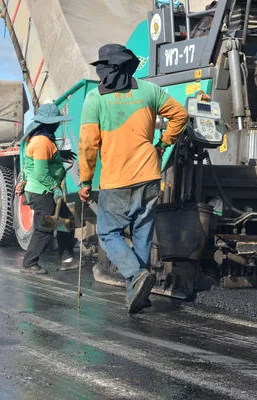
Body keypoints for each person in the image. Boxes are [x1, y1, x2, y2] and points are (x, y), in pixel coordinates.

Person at [77, 44, 188, 314]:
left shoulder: (95, 98)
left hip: (116, 180)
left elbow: (88, 145)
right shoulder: (149, 90)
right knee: (142, 236)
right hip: (149, 175)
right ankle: (136, 295)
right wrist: (163, 144)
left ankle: (136, 276)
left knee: (108, 233)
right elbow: (180, 115)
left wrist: (85, 180)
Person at [18, 104, 77, 274]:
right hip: (42, 192)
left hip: (44, 191)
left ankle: (67, 259)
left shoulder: (43, 140)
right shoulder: (42, 142)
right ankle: (29, 264)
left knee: (66, 221)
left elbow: (47, 157)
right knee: (45, 228)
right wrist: (55, 188)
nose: (58, 125)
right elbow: (41, 172)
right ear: (50, 124)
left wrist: (60, 154)